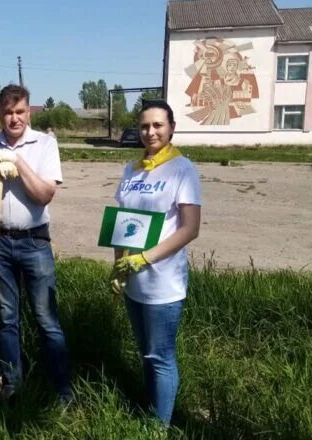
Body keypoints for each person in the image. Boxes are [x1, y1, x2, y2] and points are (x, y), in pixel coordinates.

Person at [0, 85, 72, 405]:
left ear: (29, 112)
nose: (14, 118)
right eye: (8, 112)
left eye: (20, 111)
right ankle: (13, 383)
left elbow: (44, 194)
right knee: (7, 316)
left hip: (34, 241)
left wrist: (17, 162)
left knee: (45, 317)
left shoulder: (45, 144)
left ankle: (62, 390)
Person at [111, 101, 201, 426]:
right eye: (145, 126)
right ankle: (151, 410)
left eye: (158, 125)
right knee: (145, 354)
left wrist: (145, 258)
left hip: (164, 282)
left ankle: (157, 429)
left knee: (160, 357)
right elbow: (122, 221)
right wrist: (118, 266)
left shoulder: (182, 169)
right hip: (134, 281)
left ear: (171, 128)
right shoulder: (132, 170)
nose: (150, 132)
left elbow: (191, 228)